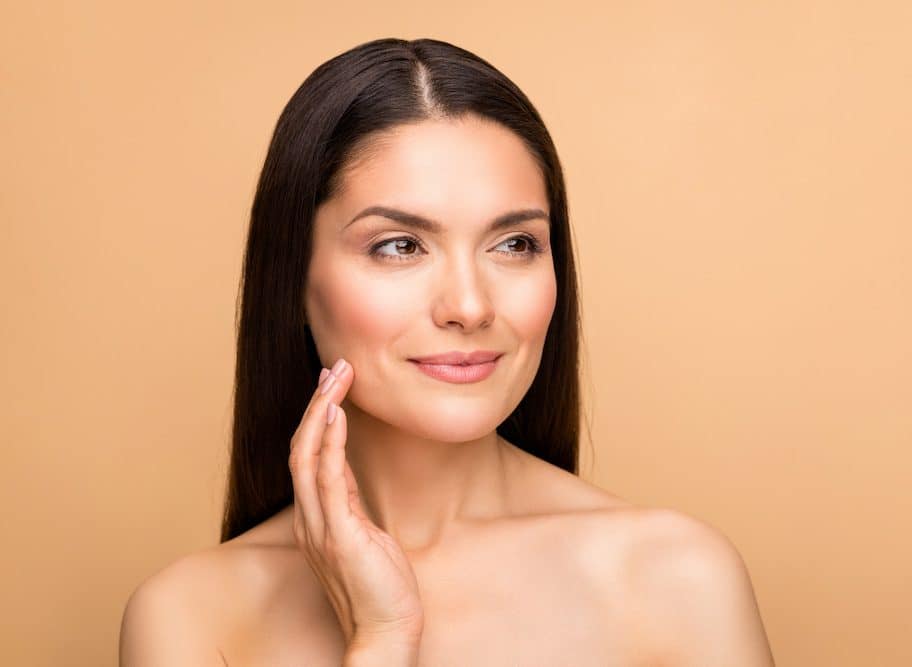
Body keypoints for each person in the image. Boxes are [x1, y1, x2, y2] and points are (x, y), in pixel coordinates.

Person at [119, 37, 775, 666]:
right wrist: (383, 639)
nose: (469, 304)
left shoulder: (675, 578)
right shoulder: (190, 614)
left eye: (514, 244)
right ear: (293, 276)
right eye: (400, 245)